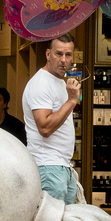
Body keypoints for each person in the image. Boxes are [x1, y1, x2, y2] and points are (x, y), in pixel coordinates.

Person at [22, 34, 81, 203]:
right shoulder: (41, 83)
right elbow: (45, 127)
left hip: (62, 166)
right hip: (48, 166)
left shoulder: (60, 82)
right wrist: (71, 101)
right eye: (58, 54)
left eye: (68, 55)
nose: (63, 60)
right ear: (48, 54)